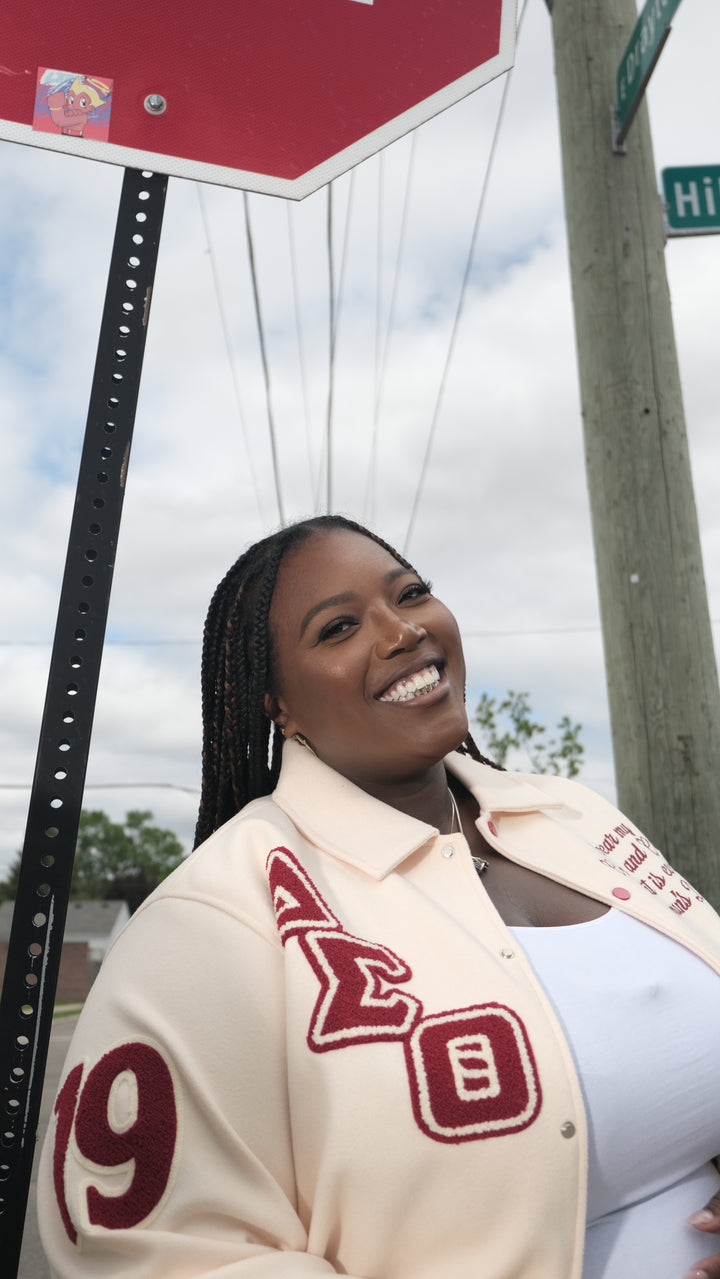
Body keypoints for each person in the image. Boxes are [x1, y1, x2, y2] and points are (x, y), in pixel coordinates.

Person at [38, 514, 720, 1279]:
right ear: (278, 702)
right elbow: (151, 1256)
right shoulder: (212, 918)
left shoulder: (573, 813)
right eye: (338, 627)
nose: (402, 631)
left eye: (412, 593)